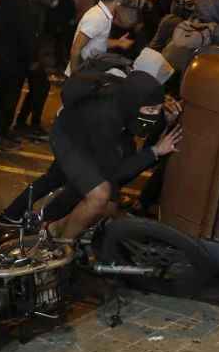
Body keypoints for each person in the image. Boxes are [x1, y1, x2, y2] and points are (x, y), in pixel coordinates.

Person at [0, 48, 175, 226]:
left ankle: (17, 214)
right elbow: (112, 169)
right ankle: (37, 219)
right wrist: (153, 152)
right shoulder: (114, 99)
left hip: (77, 130)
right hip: (72, 135)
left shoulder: (127, 85)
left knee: (59, 178)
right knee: (81, 183)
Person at [47, 70, 181, 240]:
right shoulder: (105, 118)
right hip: (68, 138)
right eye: (150, 110)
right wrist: (155, 151)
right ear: (134, 104)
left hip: (92, 136)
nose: (155, 114)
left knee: (108, 207)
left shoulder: (127, 102)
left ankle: (55, 226)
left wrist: (165, 121)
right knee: (99, 195)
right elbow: (114, 173)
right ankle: (62, 245)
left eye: (158, 109)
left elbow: (144, 123)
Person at [0, 0, 34, 150]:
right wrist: (32, 58)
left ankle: (0, 130)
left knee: (1, 95)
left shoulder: (3, 3)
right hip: (13, 60)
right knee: (9, 97)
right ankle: (1, 133)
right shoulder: (21, 4)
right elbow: (26, 35)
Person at [13, 0, 59, 141]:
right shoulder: (34, 9)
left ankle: (24, 123)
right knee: (41, 87)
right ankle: (31, 124)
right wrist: (33, 58)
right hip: (26, 57)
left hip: (30, 56)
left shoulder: (39, 7)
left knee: (39, 88)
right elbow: (30, 35)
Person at [67, 0, 133, 76]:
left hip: (89, 70)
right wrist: (75, 78)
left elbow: (97, 41)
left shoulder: (104, 14)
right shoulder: (97, 17)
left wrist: (118, 42)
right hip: (82, 73)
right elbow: (76, 49)